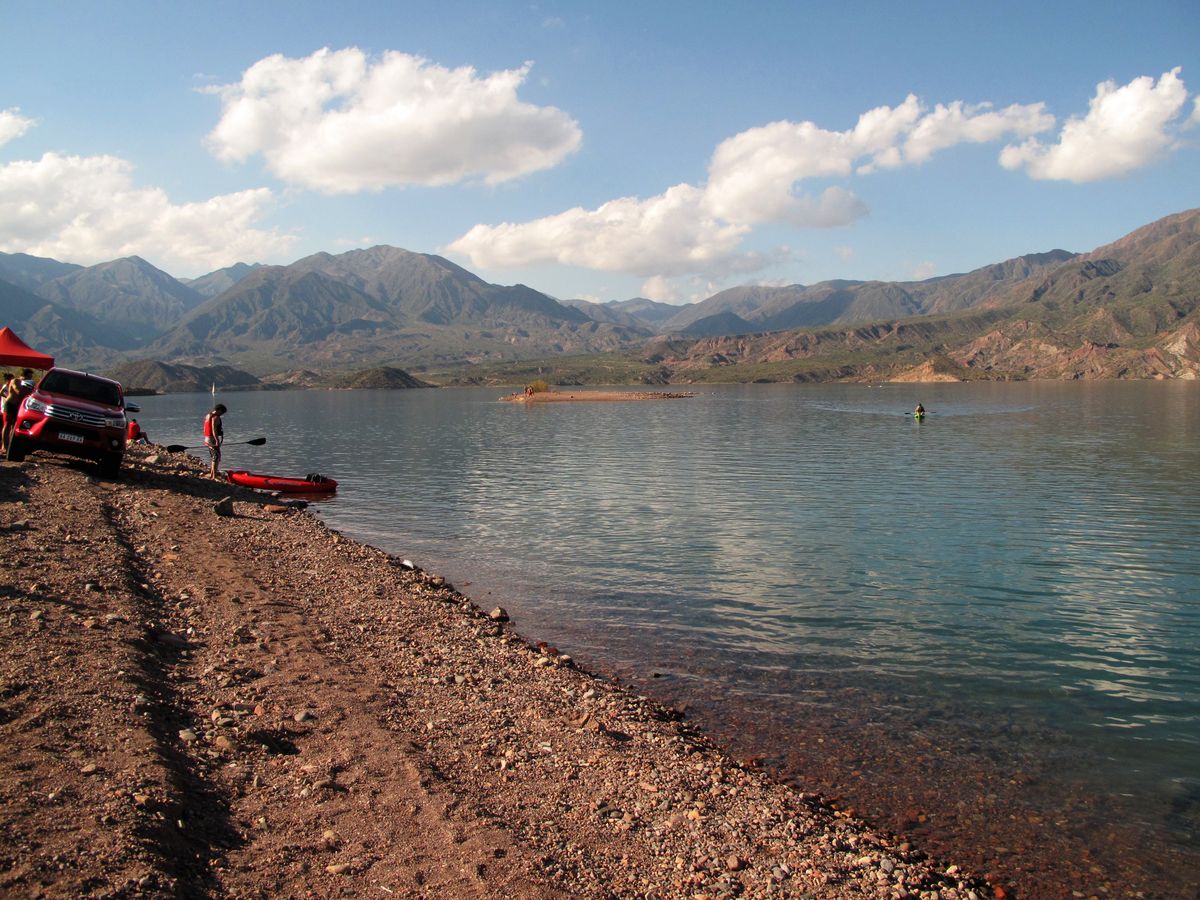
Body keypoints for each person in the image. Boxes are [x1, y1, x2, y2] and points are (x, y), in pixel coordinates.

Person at [203, 403, 226, 479]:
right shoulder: (216, 418)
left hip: (207, 438)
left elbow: (205, 428)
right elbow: (214, 430)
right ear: (219, 410)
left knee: (214, 457)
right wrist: (217, 440)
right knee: (216, 457)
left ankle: (212, 474)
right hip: (212, 439)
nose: (222, 414)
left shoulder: (208, 415)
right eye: (222, 412)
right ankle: (214, 476)